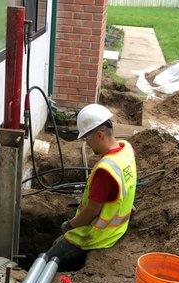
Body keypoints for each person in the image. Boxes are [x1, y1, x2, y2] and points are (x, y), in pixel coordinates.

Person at [47, 104, 137, 271]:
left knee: (50, 257)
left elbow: (92, 212)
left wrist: (70, 225)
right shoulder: (126, 150)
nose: (87, 144)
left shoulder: (105, 171)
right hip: (118, 230)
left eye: (87, 138)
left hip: (98, 235)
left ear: (100, 135)